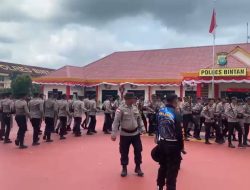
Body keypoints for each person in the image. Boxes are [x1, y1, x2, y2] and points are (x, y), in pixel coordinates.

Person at [111, 92, 146, 177]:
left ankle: (138, 167)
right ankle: (124, 168)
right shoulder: (121, 109)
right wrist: (113, 133)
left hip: (135, 134)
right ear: (128, 99)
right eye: (133, 98)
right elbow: (116, 121)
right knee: (124, 152)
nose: (135, 99)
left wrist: (142, 128)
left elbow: (139, 119)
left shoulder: (135, 107)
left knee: (138, 150)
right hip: (125, 134)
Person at [155, 93, 184, 190]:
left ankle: (159, 186)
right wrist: (182, 147)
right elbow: (179, 133)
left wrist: (157, 136)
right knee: (172, 170)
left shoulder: (160, 111)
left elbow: (157, 125)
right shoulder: (176, 113)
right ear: (175, 101)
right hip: (173, 145)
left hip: (162, 143)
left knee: (162, 166)